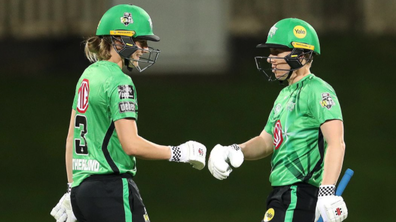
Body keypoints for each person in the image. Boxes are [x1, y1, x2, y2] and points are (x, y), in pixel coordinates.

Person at [50, 4, 206, 222]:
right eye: (140, 42)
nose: (144, 49)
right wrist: (178, 152)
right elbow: (130, 144)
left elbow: (70, 139)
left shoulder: (87, 75)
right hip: (110, 190)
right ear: (119, 40)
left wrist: (71, 189)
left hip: (81, 192)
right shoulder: (120, 81)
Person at [208, 18, 348, 222]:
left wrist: (326, 192)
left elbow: (336, 142)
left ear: (300, 54)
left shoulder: (318, 90)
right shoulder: (284, 95)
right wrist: (235, 150)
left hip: (300, 193)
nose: (269, 59)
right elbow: (266, 141)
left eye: (276, 52)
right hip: (281, 195)